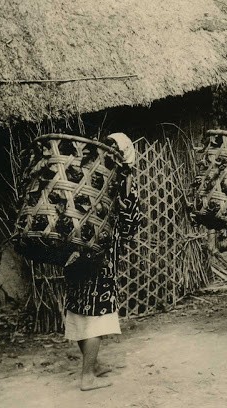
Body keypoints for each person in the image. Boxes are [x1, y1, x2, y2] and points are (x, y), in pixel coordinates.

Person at [63, 132, 141, 390]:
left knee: (78, 307)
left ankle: (92, 364)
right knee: (97, 313)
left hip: (75, 251)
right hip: (101, 255)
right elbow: (130, 225)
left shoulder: (85, 173)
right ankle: (87, 376)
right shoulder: (123, 180)